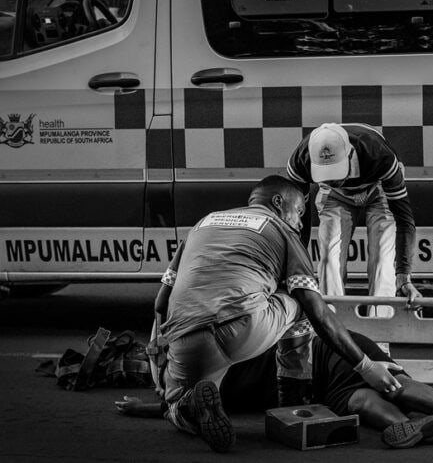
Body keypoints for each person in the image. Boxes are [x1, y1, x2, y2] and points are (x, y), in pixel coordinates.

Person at [152, 175, 403, 453]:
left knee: (174, 405)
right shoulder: (281, 230)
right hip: (243, 329)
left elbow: (161, 301)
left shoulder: (203, 223)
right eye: (298, 212)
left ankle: (187, 406)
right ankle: (293, 401)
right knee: (302, 303)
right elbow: (316, 310)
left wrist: (159, 353)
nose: (298, 222)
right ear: (277, 202)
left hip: (184, 338)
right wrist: (366, 367)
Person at [118, 330, 433, 449]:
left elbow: (187, 404)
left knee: (360, 396)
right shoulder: (214, 353)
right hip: (325, 351)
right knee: (385, 383)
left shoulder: (207, 380)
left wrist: (146, 408)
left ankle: (409, 424)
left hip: (313, 368)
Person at [286, 123, 422, 316]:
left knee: (383, 260)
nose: (332, 179)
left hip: (378, 188)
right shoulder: (301, 160)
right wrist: (295, 272)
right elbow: (298, 224)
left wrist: (404, 277)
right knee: (328, 260)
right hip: (334, 195)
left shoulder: (379, 155)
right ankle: (334, 332)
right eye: (325, 174)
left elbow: (404, 219)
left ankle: (379, 338)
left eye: (336, 172)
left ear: (350, 155)